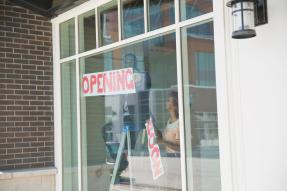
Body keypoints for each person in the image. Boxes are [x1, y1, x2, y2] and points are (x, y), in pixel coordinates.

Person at [157, 91, 180, 155]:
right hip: (169, 157)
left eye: (168, 100)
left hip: (177, 159)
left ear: (175, 105)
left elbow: (180, 147)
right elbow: (166, 140)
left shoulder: (179, 123)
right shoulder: (169, 121)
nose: (166, 102)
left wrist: (163, 142)